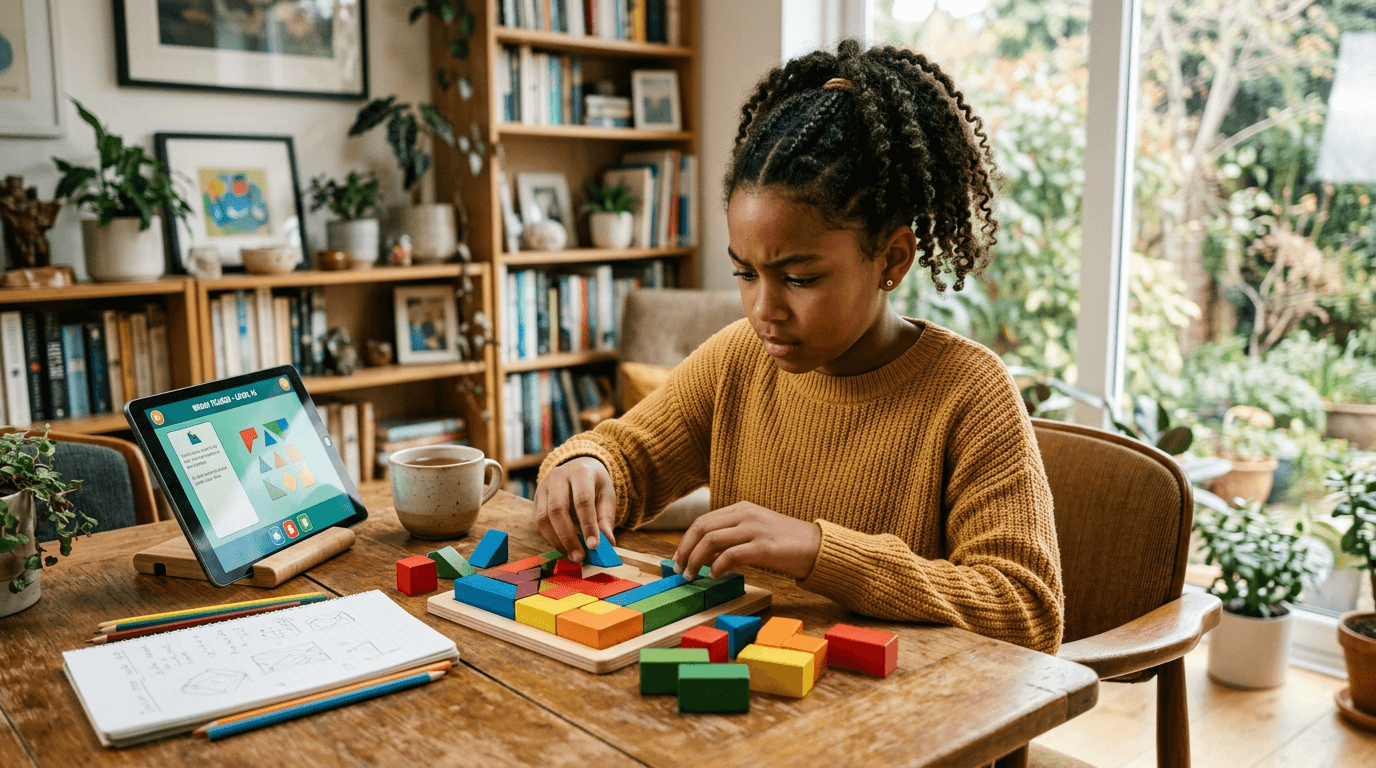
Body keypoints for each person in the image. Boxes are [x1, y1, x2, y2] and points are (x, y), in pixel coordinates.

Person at [532, 40, 1064, 653]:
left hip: (909, 724)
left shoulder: (971, 393)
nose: (764, 309)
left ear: (891, 259)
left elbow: (1028, 610)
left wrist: (820, 550)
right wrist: (585, 466)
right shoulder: (739, 358)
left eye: (799, 278)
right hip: (753, 694)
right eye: (745, 273)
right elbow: (627, 455)